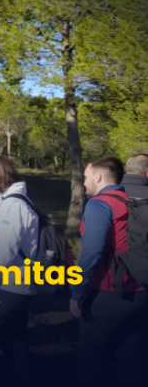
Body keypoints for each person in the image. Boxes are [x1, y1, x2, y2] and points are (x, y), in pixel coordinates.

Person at [70, 156, 147, 385]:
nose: (83, 182)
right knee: (131, 359)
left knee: (91, 359)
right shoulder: (131, 201)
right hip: (140, 291)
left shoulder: (99, 204)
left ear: (98, 177)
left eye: (85, 177)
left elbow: (92, 252)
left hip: (109, 292)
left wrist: (77, 292)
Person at [0, 156, 39, 385]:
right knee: (15, 338)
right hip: (20, 285)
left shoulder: (12, 207)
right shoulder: (17, 202)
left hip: (10, 285)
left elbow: (2, 253)